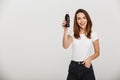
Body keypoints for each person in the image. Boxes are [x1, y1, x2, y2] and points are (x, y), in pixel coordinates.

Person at [62, 9, 100, 80]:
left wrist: (89, 59)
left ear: (87, 19)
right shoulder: (73, 33)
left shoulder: (93, 34)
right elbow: (65, 46)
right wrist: (65, 31)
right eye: (79, 18)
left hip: (86, 67)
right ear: (76, 21)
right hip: (73, 67)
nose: (82, 21)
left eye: (84, 18)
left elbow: (97, 53)